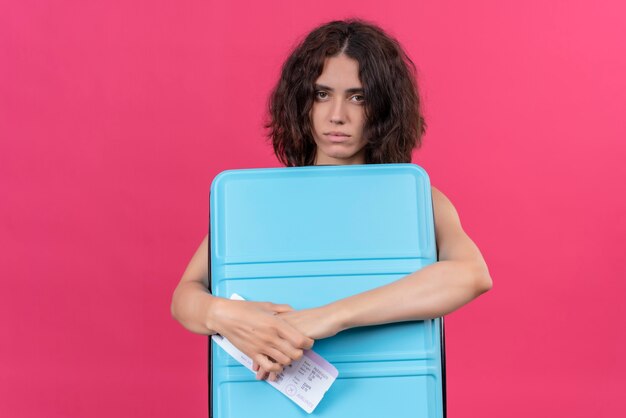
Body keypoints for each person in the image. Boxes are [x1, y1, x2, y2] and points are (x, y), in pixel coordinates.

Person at [171, 19, 492, 383]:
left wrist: (328, 317)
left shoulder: (416, 201)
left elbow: (471, 274)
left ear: (384, 107)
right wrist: (221, 314)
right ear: (301, 101)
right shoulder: (255, 201)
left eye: (358, 97)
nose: (337, 115)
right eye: (322, 94)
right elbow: (185, 295)